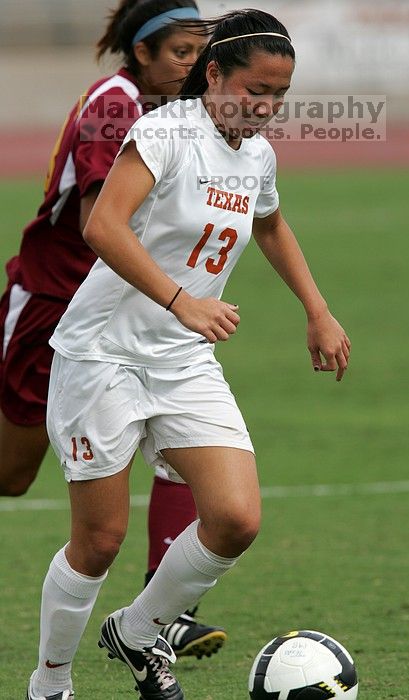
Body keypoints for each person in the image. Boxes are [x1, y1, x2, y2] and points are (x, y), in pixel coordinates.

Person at [25, 8, 351, 700]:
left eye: (278, 96)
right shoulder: (165, 131)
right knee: (100, 542)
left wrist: (317, 312)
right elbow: (104, 227)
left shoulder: (257, 154)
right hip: (103, 355)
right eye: (253, 90)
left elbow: (270, 224)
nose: (264, 108)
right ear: (213, 75)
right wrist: (183, 301)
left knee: (237, 519)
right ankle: (50, 683)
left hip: (180, 359)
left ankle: (139, 632)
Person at [1, 0, 226, 660]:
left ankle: (165, 608)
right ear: (144, 53)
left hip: (135, 316)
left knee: (193, 432)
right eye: (180, 51)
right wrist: (178, 294)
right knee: (11, 476)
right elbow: (105, 225)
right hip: (56, 310)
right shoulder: (113, 104)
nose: (192, 64)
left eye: (199, 51)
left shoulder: (184, 113)